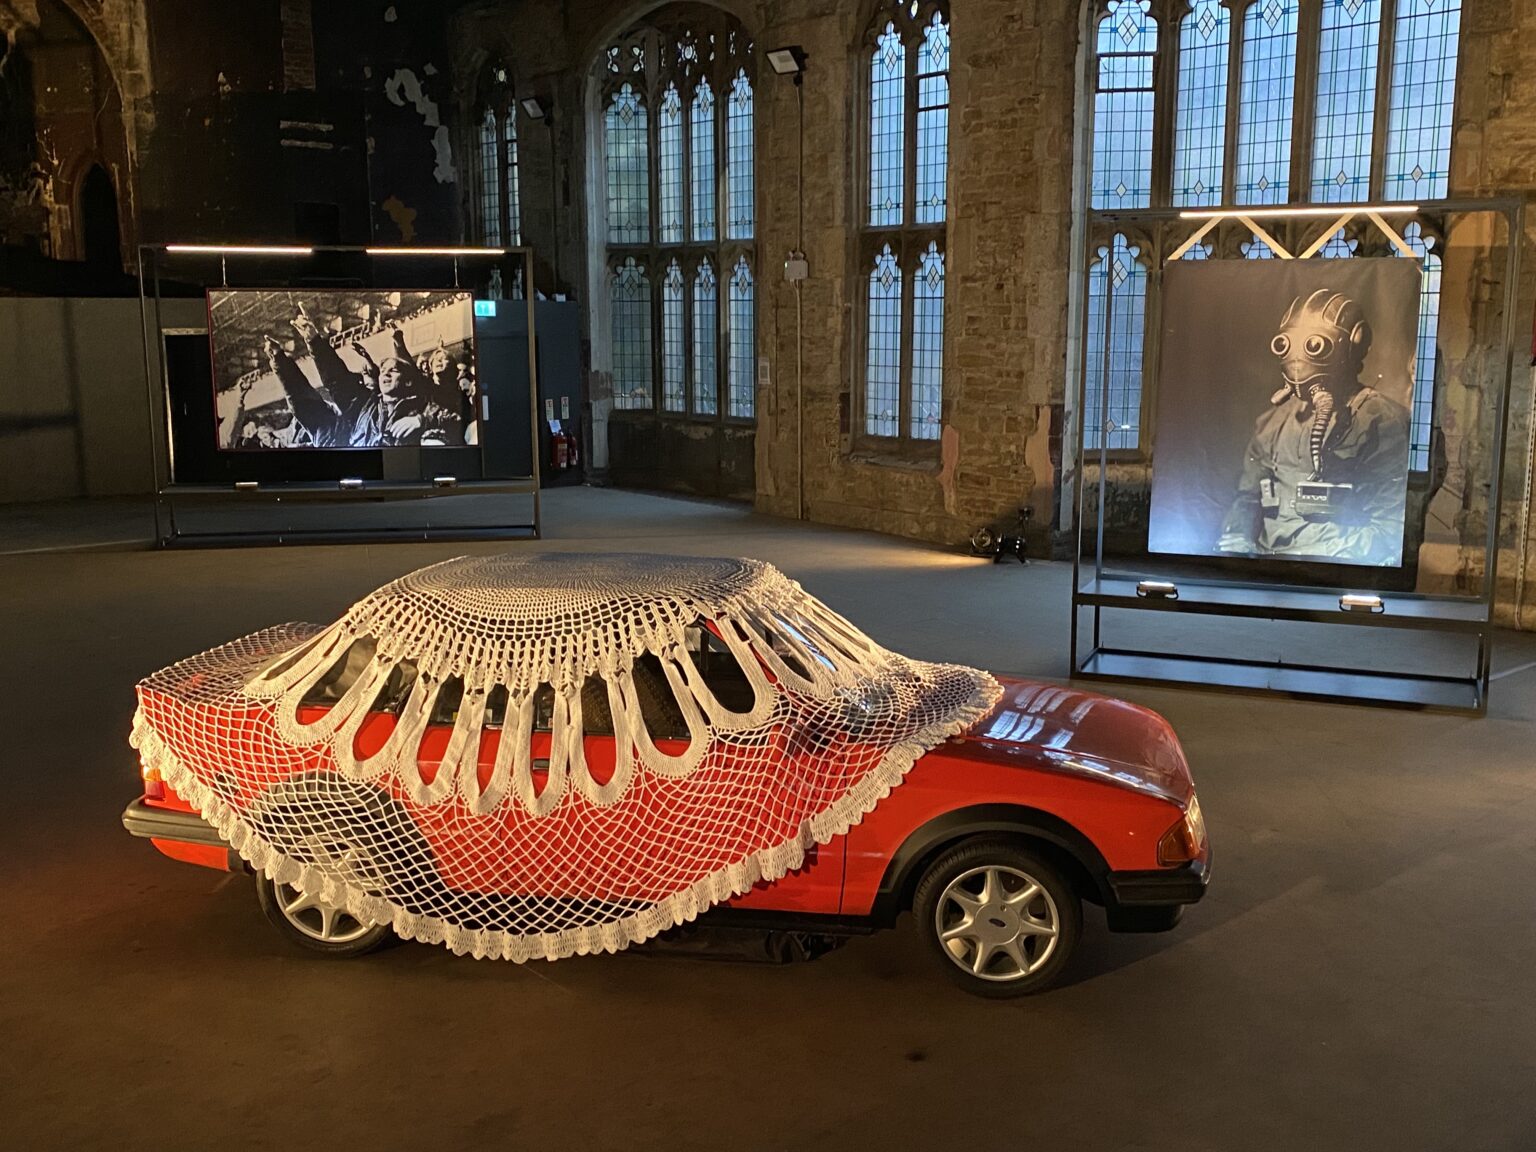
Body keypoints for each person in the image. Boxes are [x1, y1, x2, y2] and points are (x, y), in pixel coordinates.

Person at [1217, 288, 1411, 566]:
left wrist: (1317, 559)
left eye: (1315, 346)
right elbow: (1248, 497)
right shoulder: (1273, 422)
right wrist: (1236, 540)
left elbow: (1389, 527)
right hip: (1266, 563)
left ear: (1354, 343)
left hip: (1331, 569)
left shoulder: (1382, 423)